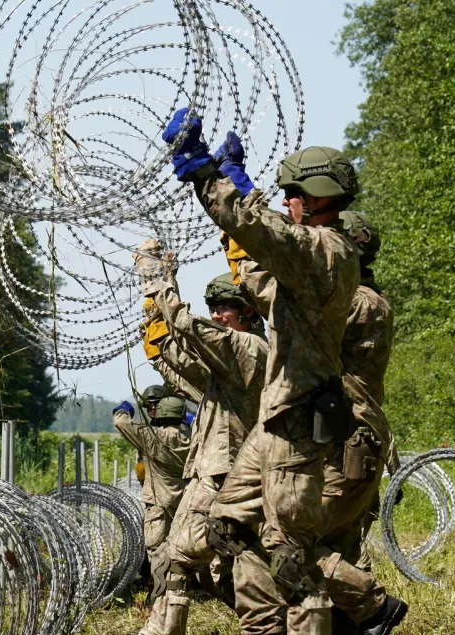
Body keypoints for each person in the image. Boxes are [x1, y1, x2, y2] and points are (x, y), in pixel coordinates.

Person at [164, 109, 360, 634]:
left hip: (298, 419)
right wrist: (231, 183)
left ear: (317, 197)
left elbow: (256, 227)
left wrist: (208, 176)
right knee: (228, 524)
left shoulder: (324, 249)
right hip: (277, 417)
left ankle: (352, 613)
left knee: (290, 550)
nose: (286, 200)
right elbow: (257, 269)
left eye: (292, 192)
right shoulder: (313, 256)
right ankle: (263, 624)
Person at [133, 245, 267, 635]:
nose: (216, 315)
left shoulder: (248, 348)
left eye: (224, 308)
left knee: (180, 554)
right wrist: (156, 329)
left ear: (249, 312)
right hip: (218, 472)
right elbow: (185, 365)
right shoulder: (229, 361)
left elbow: (189, 326)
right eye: (214, 307)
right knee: (223, 567)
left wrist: (158, 279)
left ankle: (163, 630)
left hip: (226, 475)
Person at [310, 211, 406, 634]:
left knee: (293, 540)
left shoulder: (358, 301)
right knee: (339, 548)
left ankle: (375, 607)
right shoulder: (362, 296)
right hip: (348, 434)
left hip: (346, 437)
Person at [114, 395, 191, 632]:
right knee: (180, 564)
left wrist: (124, 409)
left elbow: (121, 423)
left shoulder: (153, 436)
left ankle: (160, 620)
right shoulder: (194, 437)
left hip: (158, 509)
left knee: (159, 563)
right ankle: (174, 620)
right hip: (185, 508)